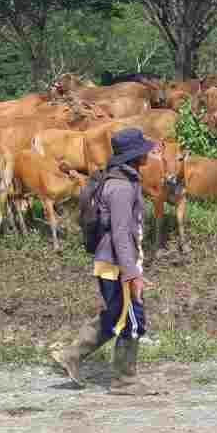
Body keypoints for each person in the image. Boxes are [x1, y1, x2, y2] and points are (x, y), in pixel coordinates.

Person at [52, 128, 155, 395]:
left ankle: (71, 354)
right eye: (144, 150)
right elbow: (121, 233)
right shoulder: (120, 187)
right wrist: (131, 273)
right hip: (116, 265)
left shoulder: (122, 179)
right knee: (133, 320)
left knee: (115, 316)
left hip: (115, 262)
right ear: (135, 155)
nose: (148, 154)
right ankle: (125, 381)